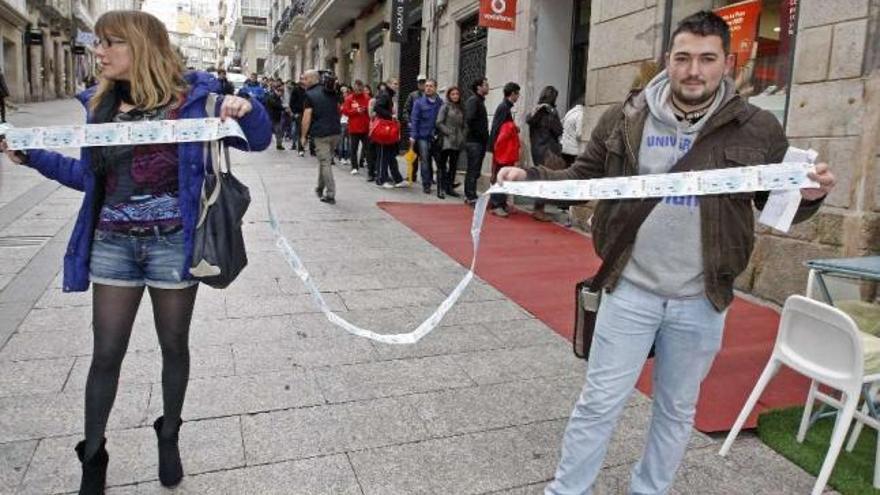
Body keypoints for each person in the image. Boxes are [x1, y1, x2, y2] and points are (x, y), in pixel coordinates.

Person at [497, 11, 836, 494]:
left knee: (677, 409)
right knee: (600, 402)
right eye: (682, 58)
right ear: (668, 61)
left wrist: (810, 195)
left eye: (706, 59)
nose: (692, 70)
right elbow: (586, 179)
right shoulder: (625, 118)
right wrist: (529, 177)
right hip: (629, 286)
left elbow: (778, 202)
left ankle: (649, 489)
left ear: (726, 64)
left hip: (701, 297)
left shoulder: (755, 128)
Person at [0, 11, 270, 495]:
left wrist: (244, 104)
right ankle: (93, 455)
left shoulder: (196, 100)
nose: (99, 52)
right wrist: (33, 154)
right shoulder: (100, 105)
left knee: (174, 347)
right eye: (99, 43)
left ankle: (169, 434)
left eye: (110, 43)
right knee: (106, 353)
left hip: (173, 243)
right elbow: (90, 177)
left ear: (141, 46)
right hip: (113, 245)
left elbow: (262, 138)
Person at [301, 69, 342, 204]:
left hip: (321, 134)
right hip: (335, 131)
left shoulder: (309, 95)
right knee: (324, 161)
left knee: (325, 163)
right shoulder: (331, 92)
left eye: (305, 79)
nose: (303, 82)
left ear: (312, 79)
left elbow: (306, 117)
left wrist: (303, 136)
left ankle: (330, 194)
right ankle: (319, 188)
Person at [526, 85, 563, 222]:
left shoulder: (536, 109)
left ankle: (538, 207)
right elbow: (558, 130)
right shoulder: (550, 112)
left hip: (536, 149)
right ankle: (539, 209)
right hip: (547, 150)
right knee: (545, 179)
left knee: (540, 177)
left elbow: (528, 120)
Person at [488, 81, 520, 217]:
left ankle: (501, 203)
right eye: (517, 94)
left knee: (504, 175)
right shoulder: (504, 108)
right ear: (512, 94)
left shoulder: (505, 107)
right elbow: (498, 129)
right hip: (502, 150)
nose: (518, 97)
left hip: (504, 149)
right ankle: (496, 204)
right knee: (501, 175)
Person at [408, 79, 443, 194]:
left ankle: (443, 184)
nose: (428, 88)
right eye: (426, 86)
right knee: (425, 161)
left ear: (435, 88)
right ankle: (426, 184)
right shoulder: (419, 102)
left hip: (436, 136)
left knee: (440, 161)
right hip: (422, 136)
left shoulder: (440, 103)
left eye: (431, 86)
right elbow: (415, 120)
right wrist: (413, 136)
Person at [434, 86, 466, 199]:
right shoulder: (445, 107)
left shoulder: (461, 108)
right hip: (446, 140)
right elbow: (439, 122)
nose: (455, 96)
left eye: (457, 94)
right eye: (453, 94)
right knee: (442, 165)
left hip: (457, 140)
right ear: (449, 95)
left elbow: (463, 124)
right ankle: (440, 189)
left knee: (453, 165)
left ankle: (449, 188)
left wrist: (462, 135)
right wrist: (448, 132)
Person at [373, 79, 405, 189]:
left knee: (390, 154)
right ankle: (381, 179)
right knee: (383, 154)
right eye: (394, 84)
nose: (396, 86)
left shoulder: (389, 95)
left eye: (397, 84)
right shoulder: (385, 95)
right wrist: (390, 116)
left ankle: (398, 179)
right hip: (384, 128)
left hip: (388, 128)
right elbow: (377, 107)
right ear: (388, 84)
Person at [463, 76, 489, 206]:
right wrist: (479, 134)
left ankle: (470, 194)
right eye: (485, 84)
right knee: (473, 170)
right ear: (479, 87)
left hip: (479, 142)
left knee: (475, 170)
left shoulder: (480, 101)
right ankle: (470, 196)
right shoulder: (474, 101)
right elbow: (470, 120)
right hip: (474, 142)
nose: (487, 86)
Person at [342, 80, 370, 175]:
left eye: (360, 88)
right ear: (354, 88)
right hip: (354, 128)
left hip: (365, 128)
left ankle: (371, 166)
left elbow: (371, 110)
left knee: (368, 148)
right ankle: (354, 167)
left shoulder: (367, 98)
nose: (358, 90)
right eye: (356, 88)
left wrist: (365, 110)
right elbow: (345, 111)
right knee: (353, 149)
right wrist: (356, 111)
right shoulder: (349, 99)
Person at [403, 75, 426, 182]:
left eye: (424, 82)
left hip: (425, 129)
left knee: (426, 154)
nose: (422, 84)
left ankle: (426, 176)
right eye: (420, 82)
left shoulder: (430, 96)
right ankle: (411, 174)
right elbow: (406, 110)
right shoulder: (412, 95)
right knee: (413, 152)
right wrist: (409, 122)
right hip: (414, 128)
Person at [560, 96, 585, 164]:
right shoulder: (580, 114)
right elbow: (579, 134)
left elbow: (562, 124)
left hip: (564, 147)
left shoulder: (570, 112)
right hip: (573, 150)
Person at [289, 75, 307, 155]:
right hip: (299, 113)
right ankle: (301, 149)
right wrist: (294, 113)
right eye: (302, 79)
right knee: (300, 131)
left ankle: (309, 148)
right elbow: (291, 102)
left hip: (308, 112)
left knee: (307, 131)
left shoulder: (308, 89)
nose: (304, 81)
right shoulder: (296, 89)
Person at [265, 83, 287, 150]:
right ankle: (265, 143)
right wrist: (284, 107)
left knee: (279, 131)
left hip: (277, 117)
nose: (281, 94)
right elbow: (276, 105)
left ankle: (279, 145)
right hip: (271, 117)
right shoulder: (271, 96)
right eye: (280, 92)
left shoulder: (278, 97)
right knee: (270, 131)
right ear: (276, 91)